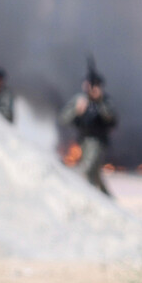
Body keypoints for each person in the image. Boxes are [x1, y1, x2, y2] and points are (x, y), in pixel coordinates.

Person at [60, 62, 117, 195]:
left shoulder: (105, 101)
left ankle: (90, 197)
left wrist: (100, 101)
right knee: (95, 174)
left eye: (97, 85)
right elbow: (63, 119)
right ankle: (107, 200)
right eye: (91, 85)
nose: (93, 88)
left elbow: (111, 118)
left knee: (87, 170)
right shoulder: (80, 100)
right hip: (83, 141)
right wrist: (76, 110)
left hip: (98, 141)